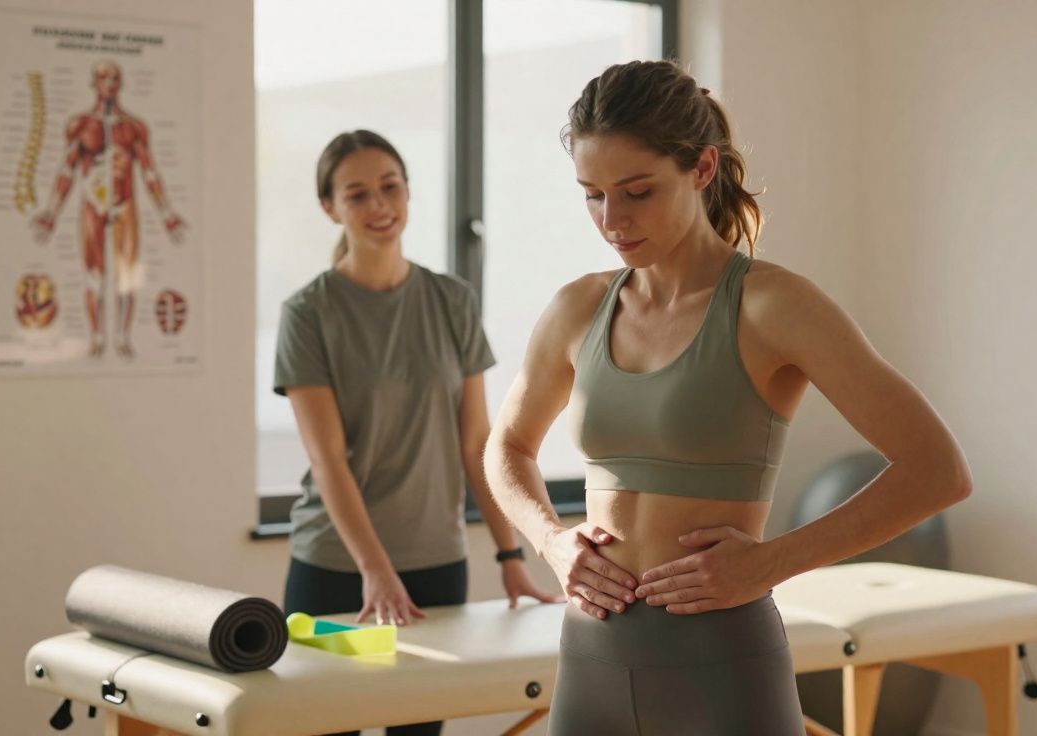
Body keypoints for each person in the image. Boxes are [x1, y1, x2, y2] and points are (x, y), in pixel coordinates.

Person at [484, 61, 973, 735]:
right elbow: (507, 447)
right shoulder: (578, 308)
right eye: (592, 195)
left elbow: (937, 470)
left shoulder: (775, 306)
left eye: (636, 191)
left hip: (721, 668)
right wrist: (551, 541)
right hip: (591, 662)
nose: (612, 219)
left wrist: (772, 562)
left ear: (703, 168)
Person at [274, 130, 559, 736]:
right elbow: (328, 462)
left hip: (434, 570)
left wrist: (509, 555)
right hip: (335, 574)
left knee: (417, 732)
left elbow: (477, 443)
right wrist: (373, 569)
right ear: (330, 208)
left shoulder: (451, 300)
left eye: (390, 187)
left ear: (408, 192)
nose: (379, 206)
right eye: (358, 195)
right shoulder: (308, 314)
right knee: (329, 726)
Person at [31, 59, 187, 359]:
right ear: (95, 82)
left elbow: (149, 171)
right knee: (94, 275)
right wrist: (51, 212)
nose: (110, 84)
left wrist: (166, 213)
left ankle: (122, 336)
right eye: (105, 78)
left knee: (127, 276)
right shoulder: (81, 126)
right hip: (93, 204)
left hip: (125, 203)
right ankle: (98, 337)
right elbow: (67, 170)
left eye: (115, 78)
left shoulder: (133, 127)